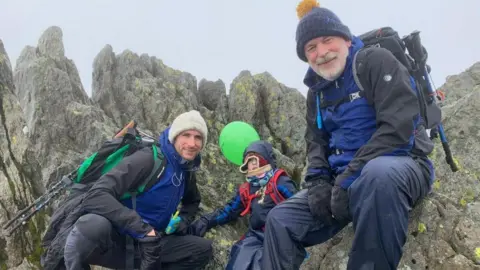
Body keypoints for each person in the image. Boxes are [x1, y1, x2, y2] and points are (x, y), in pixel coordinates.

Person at [261, 1, 435, 269]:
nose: (321, 52)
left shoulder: (376, 62)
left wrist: (346, 180)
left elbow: (397, 131)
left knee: (379, 175)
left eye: (327, 40)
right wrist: (319, 183)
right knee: (280, 219)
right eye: (311, 48)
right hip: (344, 183)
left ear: (344, 38)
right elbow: (316, 142)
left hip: (402, 165)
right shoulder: (316, 92)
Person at [63, 110, 213, 270]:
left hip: (150, 247)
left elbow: (192, 202)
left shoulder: (186, 171)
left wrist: (182, 222)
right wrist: (142, 229)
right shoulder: (148, 159)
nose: (192, 143)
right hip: (115, 242)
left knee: (202, 250)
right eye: (186, 135)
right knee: (91, 226)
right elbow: (96, 195)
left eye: (198, 137)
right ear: (175, 137)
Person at [189, 140, 298, 270]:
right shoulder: (247, 189)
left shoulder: (280, 182)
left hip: (281, 237)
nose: (250, 166)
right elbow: (229, 211)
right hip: (256, 235)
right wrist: (206, 221)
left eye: (253, 160)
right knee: (238, 259)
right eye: (247, 163)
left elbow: (298, 208)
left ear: (265, 159)